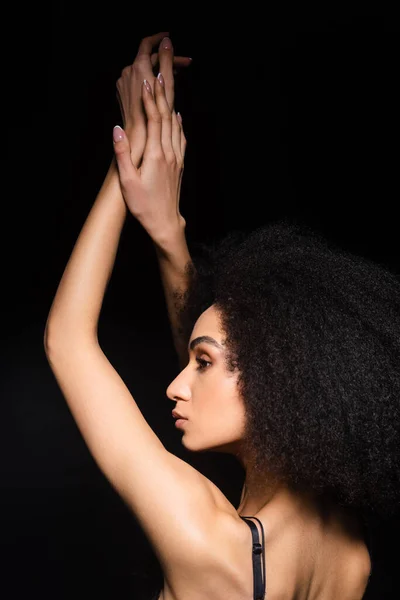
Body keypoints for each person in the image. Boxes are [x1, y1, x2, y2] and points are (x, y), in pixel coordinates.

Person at [43, 32, 400, 600]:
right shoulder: (348, 553)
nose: (174, 383)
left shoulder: (206, 540)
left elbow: (67, 339)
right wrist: (167, 232)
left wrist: (129, 151)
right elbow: (223, 338)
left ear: (276, 384)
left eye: (201, 363)